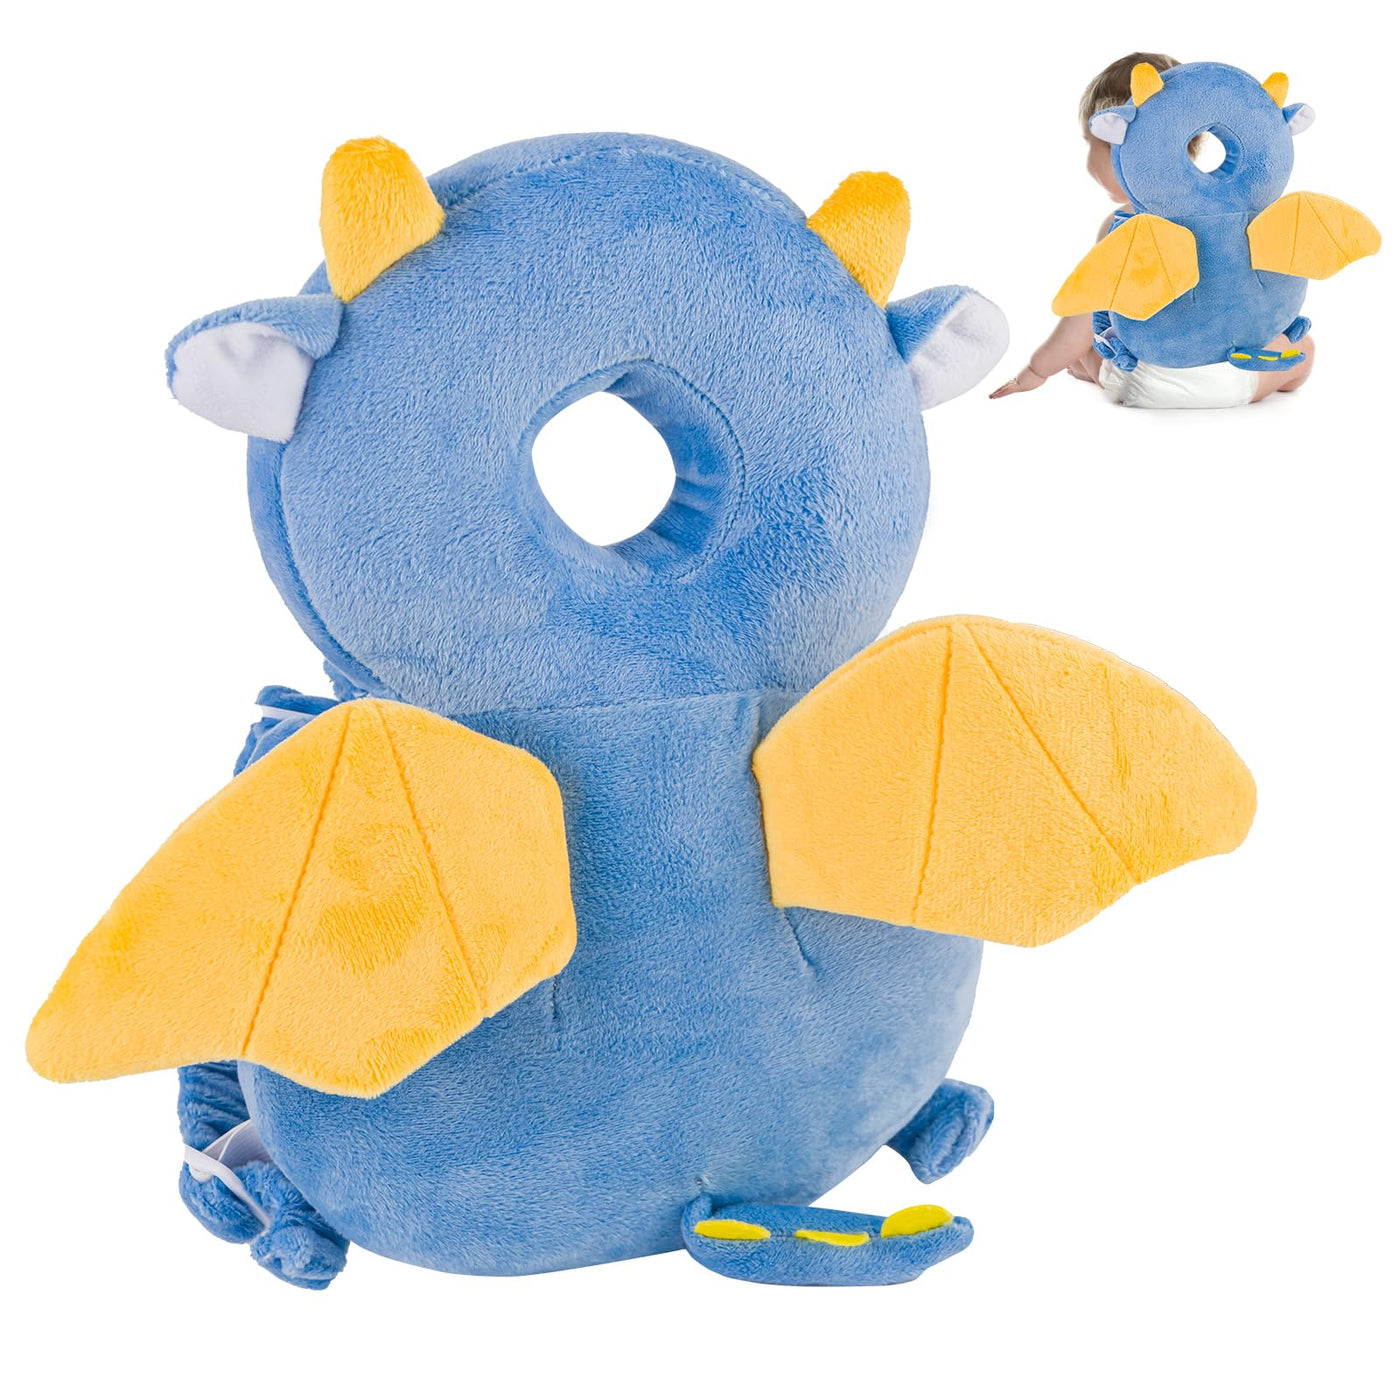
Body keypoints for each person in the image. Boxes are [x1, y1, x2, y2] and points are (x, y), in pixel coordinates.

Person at [991, 51, 1315, 407]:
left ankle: (1090, 368)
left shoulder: (1126, 227)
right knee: (1304, 348)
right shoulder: (1240, 218)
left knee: (1090, 346)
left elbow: (1079, 323)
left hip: (1148, 381)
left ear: (1117, 142)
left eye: (1091, 141)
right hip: (1236, 375)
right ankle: (1276, 378)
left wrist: (1036, 370)